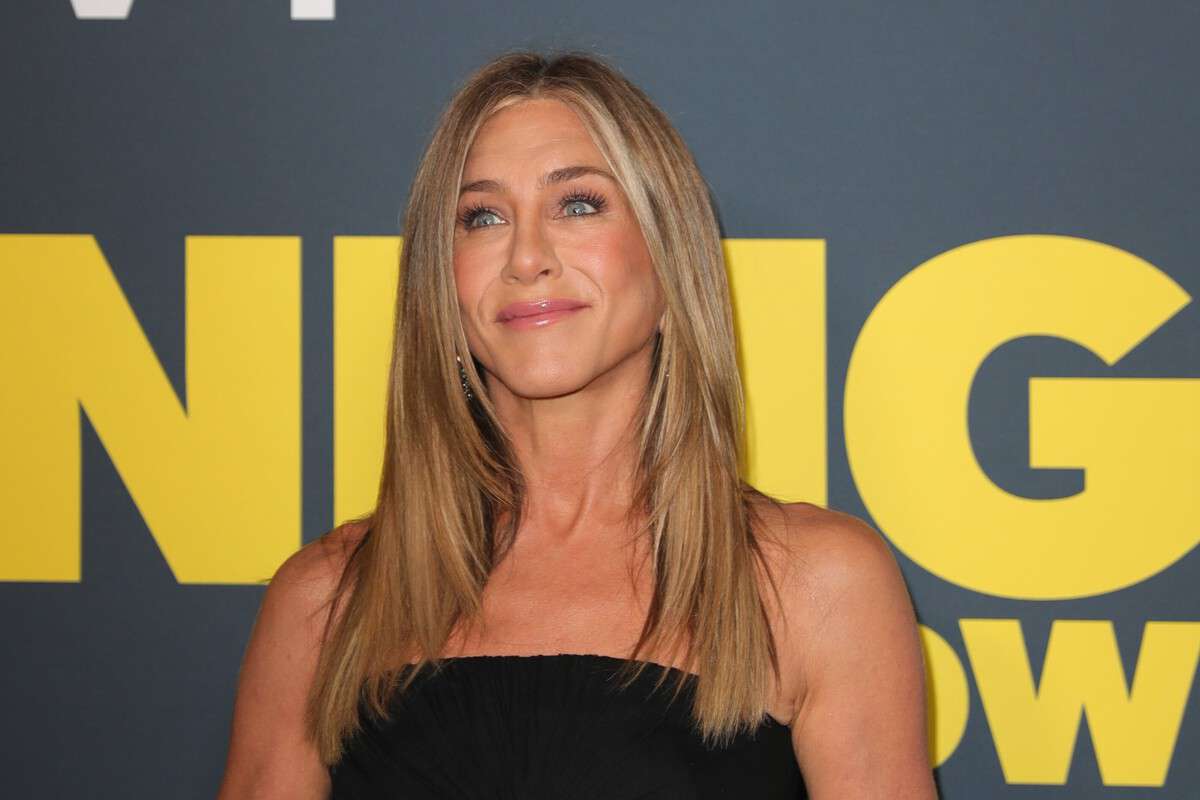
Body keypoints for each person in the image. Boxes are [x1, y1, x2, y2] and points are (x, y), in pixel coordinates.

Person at [217, 49, 937, 799]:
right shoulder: (327, 603)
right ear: (440, 284)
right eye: (483, 217)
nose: (527, 257)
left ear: (669, 259)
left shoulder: (814, 588)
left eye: (579, 204)